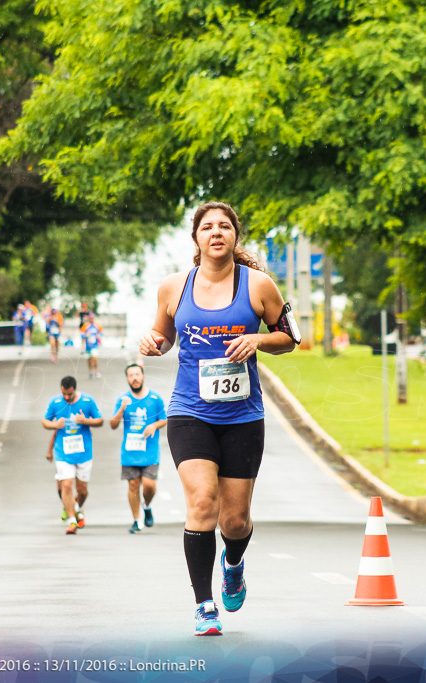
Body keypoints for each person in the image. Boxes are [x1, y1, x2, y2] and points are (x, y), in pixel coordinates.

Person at [139, 201, 298, 636]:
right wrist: (153, 343)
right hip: (190, 411)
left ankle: (233, 562)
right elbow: (163, 336)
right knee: (202, 503)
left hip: (243, 417)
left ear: (234, 236)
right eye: (207, 227)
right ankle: (203, 604)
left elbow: (291, 337)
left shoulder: (259, 285)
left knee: (234, 520)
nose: (216, 232)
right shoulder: (174, 287)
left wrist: (258, 340)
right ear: (196, 238)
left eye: (224, 226)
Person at [109, 362, 168, 534]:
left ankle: (147, 505)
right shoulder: (123, 399)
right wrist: (121, 409)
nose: (134, 378)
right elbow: (113, 424)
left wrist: (154, 426)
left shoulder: (155, 398)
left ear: (142, 376)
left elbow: (164, 419)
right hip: (130, 451)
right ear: (127, 379)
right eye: (131, 376)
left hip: (149, 450)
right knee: (133, 485)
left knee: (149, 485)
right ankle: (136, 520)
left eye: (137, 375)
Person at [42, 376, 103, 534]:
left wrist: (85, 421)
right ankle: (71, 521)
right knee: (67, 485)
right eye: (64, 394)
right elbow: (45, 421)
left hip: (84, 453)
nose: (67, 397)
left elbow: (100, 420)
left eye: (69, 394)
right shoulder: (55, 402)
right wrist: (55, 424)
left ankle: (76, 507)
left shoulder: (88, 401)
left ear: (75, 389)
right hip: (63, 452)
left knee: (82, 491)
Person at [83, 314, 103, 379]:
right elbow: (82, 335)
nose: (91, 319)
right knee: (89, 359)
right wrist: (86, 335)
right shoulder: (85, 326)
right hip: (88, 346)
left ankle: (96, 371)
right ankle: (90, 371)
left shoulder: (97, 325)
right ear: (89, 318)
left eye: (92, 318)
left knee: (95, 358)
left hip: (95, 345)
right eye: (90, 318)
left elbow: (101, 333)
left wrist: (99, 337)